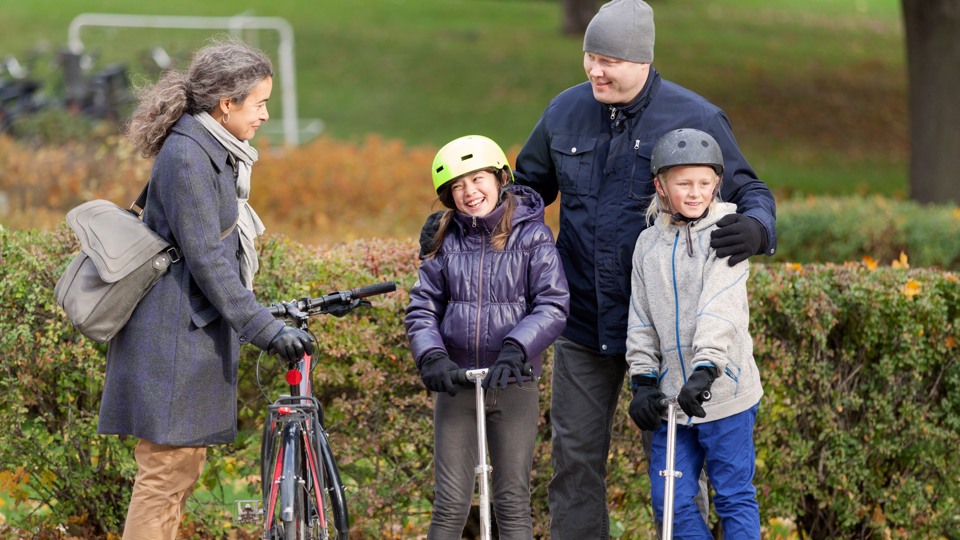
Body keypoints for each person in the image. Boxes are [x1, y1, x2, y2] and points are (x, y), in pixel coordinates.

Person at [508, 1, 778, 538]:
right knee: (575, 464)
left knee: (679, 475)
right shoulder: (564, 111)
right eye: (589, 56)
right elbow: (526, 190)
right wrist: (465, 221)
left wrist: (758, 228)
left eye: (608, 60)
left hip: (666, 336)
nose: (594, 70)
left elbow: (750, 189)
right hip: (583, 323)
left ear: (644, 61)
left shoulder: (695, 116)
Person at [96, 37, 315, 540]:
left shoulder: (209, 149)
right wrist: (265, 328)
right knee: (165, 475)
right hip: (172, 341)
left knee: (178, 472)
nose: (263, 115)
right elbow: (209, 261)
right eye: (259, 103)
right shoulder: (190, 156)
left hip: (183, 335)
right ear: (227, 103)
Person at [405, 135, 570, 540]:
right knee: (450, 505)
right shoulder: (444, 241)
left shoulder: (532, 237)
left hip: (513, 382)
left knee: (512, 501)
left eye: (477, 179)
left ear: (500, 178)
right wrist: (432, 357)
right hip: (458, 385)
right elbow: (423, 307)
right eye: (457, 186)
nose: (469, 192)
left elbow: (552, 303)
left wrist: (517, 347)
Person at [627, 128, 763, 538]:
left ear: (716, 184)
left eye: (705, 183)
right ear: (661, 186)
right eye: (684, 183)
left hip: (724, 394)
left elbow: (719, 308)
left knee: (733, 495)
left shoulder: (727, 233)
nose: (695, 192)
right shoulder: (647, 245)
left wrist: (706, 370)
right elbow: (641, 316)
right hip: (673, 402)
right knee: (670, 498)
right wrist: (643, 380)